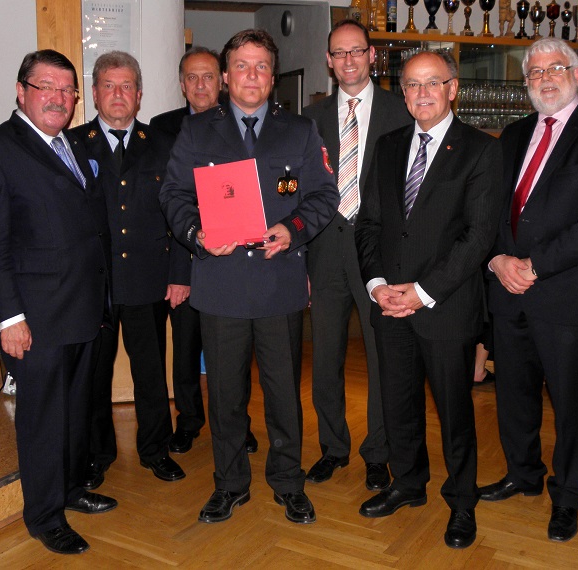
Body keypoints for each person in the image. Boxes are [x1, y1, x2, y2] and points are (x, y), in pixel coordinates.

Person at [160, 29, 338, 525]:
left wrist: (292, 230)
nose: (252, 75)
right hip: (221, 285)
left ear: (272, 76)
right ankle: (230, 484)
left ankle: (288, 482)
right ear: (224, 76)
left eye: (261, 66)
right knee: (225, 398)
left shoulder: (299, 130)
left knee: (283, 396)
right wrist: (197, 235)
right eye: (241, 65)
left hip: (279, 284)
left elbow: (324, 195)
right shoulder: (197, 132)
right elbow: (173, 196)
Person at [0, 49, 116, 555]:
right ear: (20, 91)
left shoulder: (70, 144)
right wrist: (9, 317)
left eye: (67, 89)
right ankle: (45, 516)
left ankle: (69, 490)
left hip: (81, 309)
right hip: (35, 318)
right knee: (43, 421)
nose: (58, 97)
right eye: (45, 86)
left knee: (74, 413)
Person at [480, 38, 578, 543]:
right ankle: (523, 474)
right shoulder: (513, 134)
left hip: (567, 295)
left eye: (555, 68)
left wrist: (534, 265)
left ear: (577, 73)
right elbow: (490, 210)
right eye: (535, 73)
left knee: (570, 404)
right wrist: (497, 259)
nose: (545, 79)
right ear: (526, 82)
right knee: (513, 395)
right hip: (508, 289)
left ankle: (566, 496)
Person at [354, 50, 504, 549]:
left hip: (445, 306)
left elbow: (478, 238)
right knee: (398, 404)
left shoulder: (481, 150)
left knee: (454, 412)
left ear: (452, 88)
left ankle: (462, 501)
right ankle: (408, 483)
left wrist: (421, 293)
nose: (422, 93)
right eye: (412, 85)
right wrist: (376, 285)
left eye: (432, 83)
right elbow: (370, 223)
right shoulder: (389, 145)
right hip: (389, 304)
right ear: (403, 93)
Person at [301, 19, 410, 491]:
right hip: (324, 251)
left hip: (379, 256)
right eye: (339, 53)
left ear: (372, 56)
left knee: (383, 357)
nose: (348, 60)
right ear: (329, 61)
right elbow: (299, 190)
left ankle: (378, 453)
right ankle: (333, 447)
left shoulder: (401, 111)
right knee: (324, 358)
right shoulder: (310, 119)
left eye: (356, 51)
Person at [71, 51, 185, 490]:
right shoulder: (73, 145)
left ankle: (155, 449)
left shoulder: (163, 144)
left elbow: (182, 213)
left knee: (151, 373)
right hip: (93, 284)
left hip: (148, 279)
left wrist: (180, 273)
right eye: (108, 86)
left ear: (139, 94)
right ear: (94, 93)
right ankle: (98, 454)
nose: (118, 94)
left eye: (126, 86)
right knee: (95, 375)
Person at [150, 46, 258, 456]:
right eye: (192, 78)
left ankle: (238, 425)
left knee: (235, 352)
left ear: (222, 81)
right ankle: (190, 421)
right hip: (184, 255)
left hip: (235, 259)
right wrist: (179, 272)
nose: (200, 85)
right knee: (185, 348)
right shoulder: (162, 128)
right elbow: (168, 202)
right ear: (182, 85)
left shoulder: (245, 123)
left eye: (208, 76)